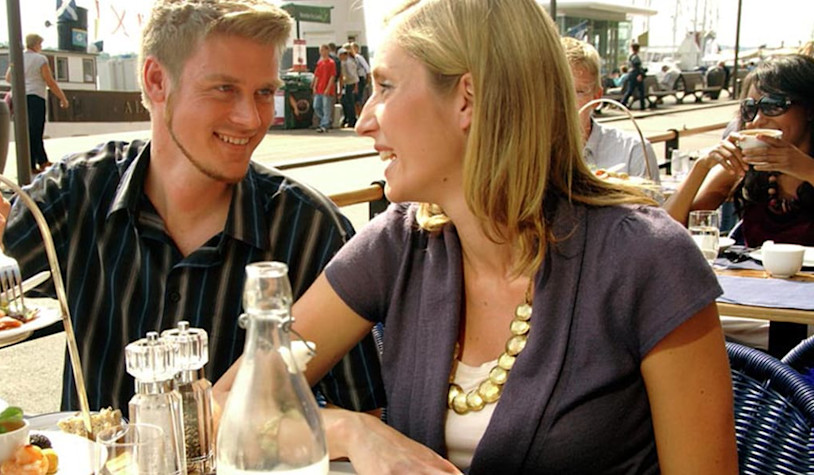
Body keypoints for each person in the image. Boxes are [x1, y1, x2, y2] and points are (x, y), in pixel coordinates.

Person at [217, 0, 738, 472]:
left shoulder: (647, 260)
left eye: (386, 87)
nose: (364, 120)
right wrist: (354, 430)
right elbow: (230, 405)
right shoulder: (401, 243)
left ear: (467, 98)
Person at [0, 0, 385, 416]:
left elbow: (364, 411)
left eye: (263, 93)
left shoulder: (309, 227)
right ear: (155, 81)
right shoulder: (79, 190)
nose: (250, 117)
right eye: (224, 89)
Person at [664, 54, 814, 247]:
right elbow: (667, 231)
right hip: (754, 277)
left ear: (809, 109)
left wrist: (806, 169)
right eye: (750, 108)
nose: (758, 120)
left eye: (773, 105)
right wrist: (702, 166)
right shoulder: (745, 163)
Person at [561, 37, 659, 182]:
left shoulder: (632, 151)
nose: (564, 103)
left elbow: (651, 203)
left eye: (578, 92)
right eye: (554, 91)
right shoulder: (527, 154)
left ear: (596, 97)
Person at [5, 33, 70, 176]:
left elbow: (8, 78)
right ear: (35, 44)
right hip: (36, 97)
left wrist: (23, 83)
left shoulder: (17, 57)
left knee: (26, 131)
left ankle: (33, 163)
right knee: (36, 130)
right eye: (40, 44)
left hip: (20, 98)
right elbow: (49, 81)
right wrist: (63, 98)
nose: (41, 47)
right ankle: (40, 162)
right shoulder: (40, 59)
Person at [312, 44, 337, 133]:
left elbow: (332, 76)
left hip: (326, 88)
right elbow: (317, 76)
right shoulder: (320, 63)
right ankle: (326, 120)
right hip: (319, 88)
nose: (322, 52)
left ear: (327, 51)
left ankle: (324, 124)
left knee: (326, 107)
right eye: (321, 50)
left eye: (323, 50)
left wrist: (328, 88)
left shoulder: (331, 63)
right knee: (316, 106)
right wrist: (314, 86)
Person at [621, 42, 648, 111]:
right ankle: (642, 106)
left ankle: (623, 103)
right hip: (636, 75)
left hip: (631, 75)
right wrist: (641, 74)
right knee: (641, 91)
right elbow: (637, 67)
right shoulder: (635, 57)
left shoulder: (631, 56)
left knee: (630, 90)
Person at [338, 46, 358, 128]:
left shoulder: (348, 63)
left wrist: (355, 86)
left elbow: (353, 75)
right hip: (348, 83)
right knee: (346, 102)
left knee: (350, 103)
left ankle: (352, 120)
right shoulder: (344, 62)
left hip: (351, 83)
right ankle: (348, 118)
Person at [350, 42, 371, 116]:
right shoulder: (352, 58)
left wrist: (367, 79)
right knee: (355, 98)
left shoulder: (358, 57)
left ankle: (362, 114)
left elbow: (367, 68)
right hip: (355, 78)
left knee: (359, 98)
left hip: (360, 78)